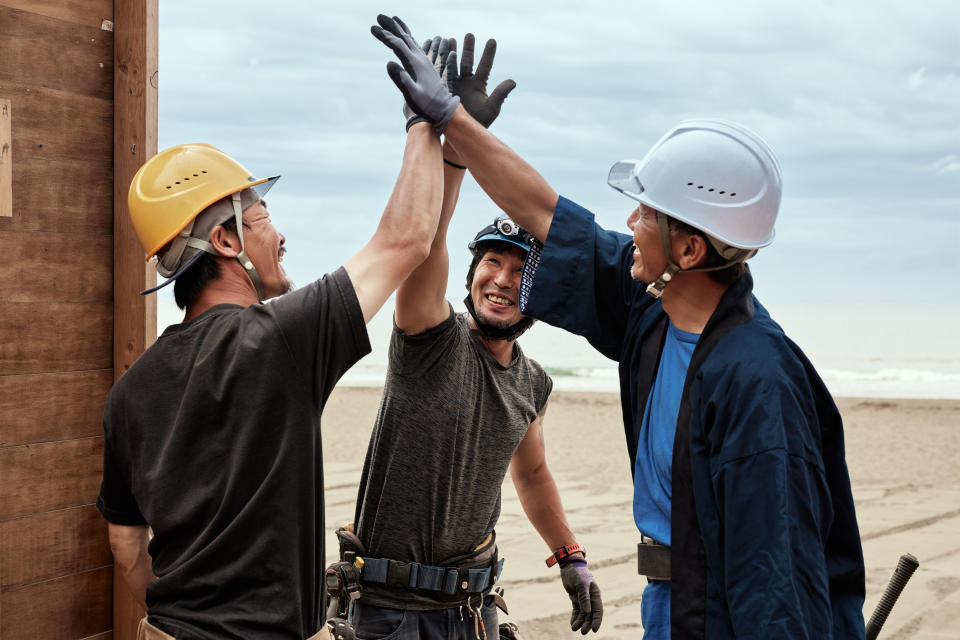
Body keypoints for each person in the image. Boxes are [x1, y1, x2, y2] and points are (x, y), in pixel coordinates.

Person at [373, 17, 867, 640]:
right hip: (669, 599)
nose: (629, 219)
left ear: (688, 251)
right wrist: (453, 127)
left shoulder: (759, 380)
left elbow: (776, 580)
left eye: (646, 211)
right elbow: (546, 213)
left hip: (718, 615)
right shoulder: (652, 309)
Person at [96, 122, 443, 640]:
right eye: (264, 220)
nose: (280, 238)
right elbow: (406, 239)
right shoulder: (281, 338)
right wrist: (425, 125)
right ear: (225, 239)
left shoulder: (128, 392)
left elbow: (127, 548)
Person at [340, 20, 603, 640]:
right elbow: (423, 239)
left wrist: (570, 556)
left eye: (522, 270)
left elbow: (533, 474)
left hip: (474, 612)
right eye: (492, 262)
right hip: (389, 611)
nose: (503, 280)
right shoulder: (430, 337)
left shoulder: (533, 383)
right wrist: (452, 145)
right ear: (471, 272)